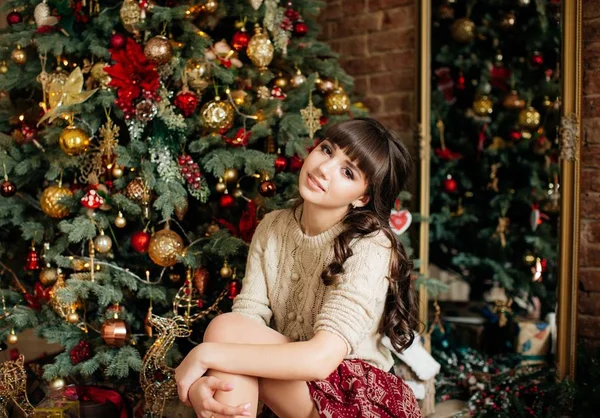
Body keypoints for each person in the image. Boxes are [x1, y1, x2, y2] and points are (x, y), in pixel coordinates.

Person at [175, 117, 422, 418]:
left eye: (347, 172)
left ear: (362, 198)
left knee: (225, 332)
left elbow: (320, 361)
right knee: (229, 329)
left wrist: (205, 355)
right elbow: (246, 321)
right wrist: (210, 381)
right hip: (295, 387)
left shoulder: (371, 246)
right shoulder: (273, 227)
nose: (323, 169)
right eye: (327, 150)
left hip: (356, 400)